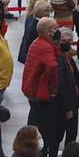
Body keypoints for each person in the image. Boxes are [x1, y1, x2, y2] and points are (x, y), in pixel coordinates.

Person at [22, 17, 62, 147]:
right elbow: (52, 66)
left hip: (31, 90)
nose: (58, 31)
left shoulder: (36, 43)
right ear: (48, 31)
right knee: (44, 128)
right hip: (41, 95)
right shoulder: (46, 47)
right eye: (55, 28)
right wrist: (54, 87)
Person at [50, 31, 79, 157]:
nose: (68, 42)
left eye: (70, 40)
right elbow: (61, 86)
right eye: (64, 40)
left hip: (73, 103)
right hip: (63, 107)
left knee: (72, 135)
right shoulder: (58, 61)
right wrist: (68, 108)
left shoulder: (69, 59)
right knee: (56, 137)